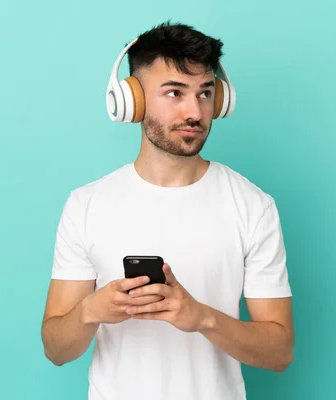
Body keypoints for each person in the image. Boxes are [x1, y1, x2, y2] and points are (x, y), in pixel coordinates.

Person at [41, 21, 294, 400]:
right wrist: (91, 311)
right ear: (131, 101)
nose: (195, 111)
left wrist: (202, 318)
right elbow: (56, 349)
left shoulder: (253, 206)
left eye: (205, 93)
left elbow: (279, 352)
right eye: (175, 92)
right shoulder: (87, 204)